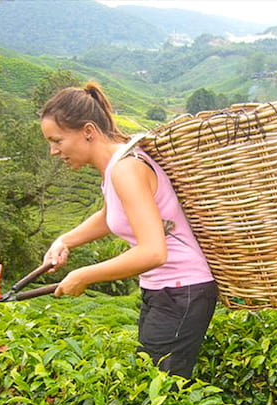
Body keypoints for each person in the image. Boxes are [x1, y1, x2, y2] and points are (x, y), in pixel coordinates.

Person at [39, 81, 217, 379]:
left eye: (57, 140)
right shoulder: (115, 166)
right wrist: (65, 240)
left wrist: (84, 275)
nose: (53, 151)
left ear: (88, 131)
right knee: (152, 385)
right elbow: (111, 215)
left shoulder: (125, 170)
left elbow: (153, 252)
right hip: (162, 291)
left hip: (181, 290)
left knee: (160, 396)